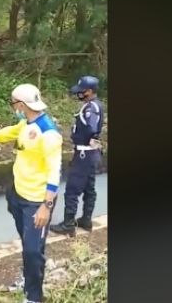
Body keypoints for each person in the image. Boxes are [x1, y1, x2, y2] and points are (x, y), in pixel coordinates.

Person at [0, 83, 62, 303]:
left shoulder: (49, 133)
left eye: (13, 103)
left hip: (37, 203)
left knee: (34, 251)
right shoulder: (26, 123)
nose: (12, 106)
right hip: (18, 195)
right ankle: (27, 280)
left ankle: (34, 297)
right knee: (28, 245)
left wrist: (47, 205)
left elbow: (55, 171)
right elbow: (12, 131)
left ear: (22, 104)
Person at [50, 75, 104, 237]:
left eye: (81, 91)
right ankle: (86, 220)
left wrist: (88, 136)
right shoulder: (95, 105)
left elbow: (92, 127)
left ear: (89, 91)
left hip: (83, 154)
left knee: (72, 190)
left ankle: (68, 225)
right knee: (89, 188)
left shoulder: (90, 108)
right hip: (91, 153)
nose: (78, 94)